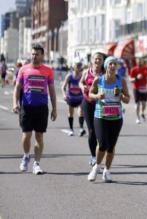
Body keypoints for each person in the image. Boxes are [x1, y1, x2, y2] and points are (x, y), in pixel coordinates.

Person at [12, 44, 57, 175]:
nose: (34, 56)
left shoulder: (48, 70)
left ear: (42, 56)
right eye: (32, 54)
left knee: (39, 136)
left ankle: (36, 164)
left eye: (37, 54)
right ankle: (26, 156)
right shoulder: (23, 70)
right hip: (26, 107)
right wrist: (15, 103)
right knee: (26, 135)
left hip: (42, 108)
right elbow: (17, 88)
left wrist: (54, 108)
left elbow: (52, 91)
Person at [87, 56, 130, 183]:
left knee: (111, 146)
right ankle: (96, 167)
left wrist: (121, 95)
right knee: (102, 144)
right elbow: (90, 94)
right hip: (101, 116)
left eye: (115, 64)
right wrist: (97, 96)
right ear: (106, 66)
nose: (113, 66)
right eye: (110, 63)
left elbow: (127, 99)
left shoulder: (121, 81)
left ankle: (107, 171)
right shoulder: (98, 80)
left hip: (116, 118)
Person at [80, 52, 106, 166]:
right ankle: (93, 157)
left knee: (100, 132)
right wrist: (82, 87)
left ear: (102, 61)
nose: (97, 61)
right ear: (92, 60)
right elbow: (81, 82)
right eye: (96, 59)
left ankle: (100, 153)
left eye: (100, 59)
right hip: (88, 103)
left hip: (100, 104)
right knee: (91, 131)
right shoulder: (87, 72)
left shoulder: (105, 73)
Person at [62, 60, 86, 137]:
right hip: (71, 98)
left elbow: (86, 85)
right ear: (74, 67)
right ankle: (71, 129)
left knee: (81, 111)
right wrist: (64, 95)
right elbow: (63, 87)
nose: (78, 67)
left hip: (80, 98)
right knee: (70, 113)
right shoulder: (69, 76)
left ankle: (81, 128)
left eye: (80, 66)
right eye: (77, 65)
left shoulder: (82, 76)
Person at [129, 58, 147, 124]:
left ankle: (142, 112)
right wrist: (136, 78)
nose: (140, 62)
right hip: (136, 88)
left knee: (144, 104)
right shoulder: (134, 69)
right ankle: (137, 118)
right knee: (137, 104)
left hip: (144, 88)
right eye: (139, 61)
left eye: (141, 61)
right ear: (137, 62)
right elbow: (130, 80)